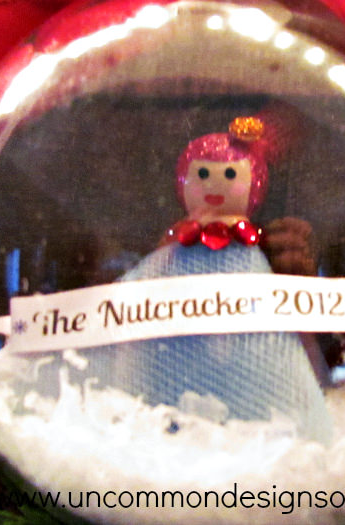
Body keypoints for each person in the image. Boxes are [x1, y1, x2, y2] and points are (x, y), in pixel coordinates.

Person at [117, 116, 333, 444]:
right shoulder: (175, 246)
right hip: (173, 387)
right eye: (202, 174)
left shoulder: (257, 250)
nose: (215, 184)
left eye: (231, 175)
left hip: (259, 407)